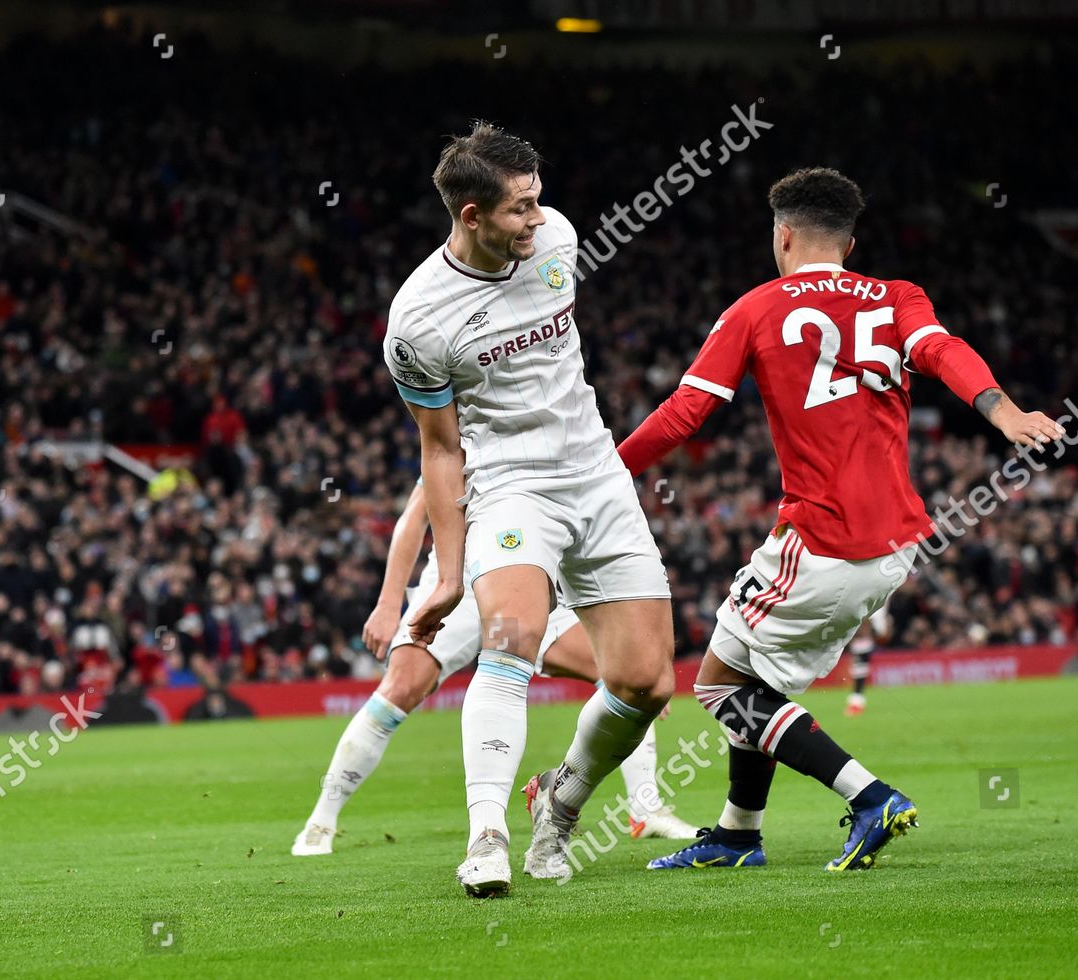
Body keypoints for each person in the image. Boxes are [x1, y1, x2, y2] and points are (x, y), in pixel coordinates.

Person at [610, 167, 1063, 871]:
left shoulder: (756, 308)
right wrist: (1002, 410)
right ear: (850, 243)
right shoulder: (898, 297)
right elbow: (942, 351)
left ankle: (869, 795)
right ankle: (737, 833)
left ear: (782, 234)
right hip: (896, 543)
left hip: (820, 538)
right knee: (759, 684)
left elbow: (687, 413)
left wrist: (608, 471)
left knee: (720, 686)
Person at [385, 122, 677, 895]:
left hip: (598, 472)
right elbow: (441, 451)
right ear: (472, 215)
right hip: (512, 482)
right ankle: (486, 837)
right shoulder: (419, 322)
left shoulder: (559, 240)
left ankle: (562, 795)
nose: (538, 219)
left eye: (539, 200)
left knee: (648, 682)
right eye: (520, 208)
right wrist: (447, 575)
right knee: (510, 635)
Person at [292, 481, 697, 856]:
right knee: (400, 688)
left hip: (525, 581)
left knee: (624, 678)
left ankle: (645, 809)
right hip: (458, 580)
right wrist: (387, 603)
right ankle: (321, 821)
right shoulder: (463, 427)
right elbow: (415, 517)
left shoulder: (549, 432)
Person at [845, 605, 891, 716]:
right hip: (863, 637)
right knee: (859, 670)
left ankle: (857, 700)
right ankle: (856, 699)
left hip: (864, 637)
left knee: (860, 670)